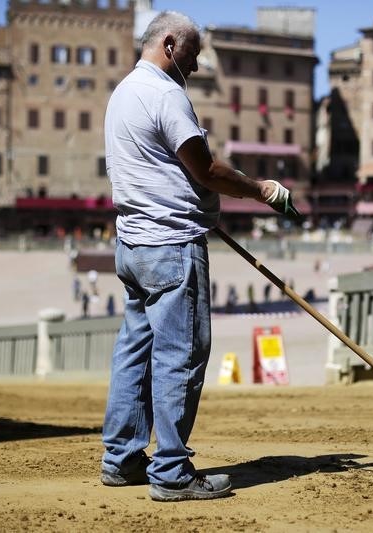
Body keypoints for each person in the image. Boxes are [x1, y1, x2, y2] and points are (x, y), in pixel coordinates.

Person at [99, 11, 298, 502]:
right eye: (192, 52)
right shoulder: (166, 93)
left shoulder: (122, 92)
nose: (196, 62)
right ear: (169, 44)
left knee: (135, 352)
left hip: (132, 245)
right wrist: (263, 191)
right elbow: (206, 168)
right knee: (181, 355)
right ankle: (170, 474)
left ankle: (122, 460)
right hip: (170, 244)